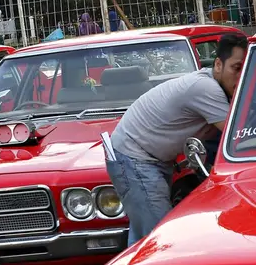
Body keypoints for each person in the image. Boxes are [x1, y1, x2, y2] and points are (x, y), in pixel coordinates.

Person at [105, 33, 248, 244]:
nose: (241, 77)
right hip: (136, 160)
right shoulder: (207, 89)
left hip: (141, 157)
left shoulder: (213, 86)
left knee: (143, 239)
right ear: (218, 64)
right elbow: (237, 137)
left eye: (246, 70)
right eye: (236, 68)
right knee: (161, 241)